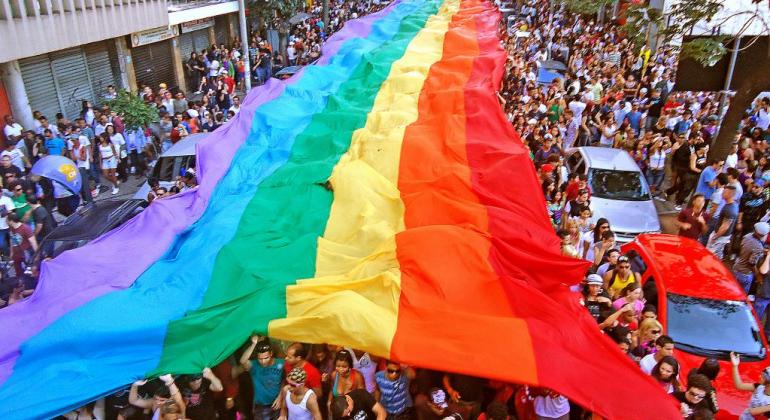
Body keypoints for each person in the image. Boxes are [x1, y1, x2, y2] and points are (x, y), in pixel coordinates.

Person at [241, 337, 285, 420]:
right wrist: (254, 344)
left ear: (271, 353)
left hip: (278, 403)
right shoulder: (254, 365)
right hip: (261, 406)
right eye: (260, 359)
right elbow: (243, 361)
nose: (263, 361)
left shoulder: (281, 363)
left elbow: (285, 381)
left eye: (266, 358)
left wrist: (280, 397)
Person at [731, 352, 770, 419]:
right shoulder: (758, 387)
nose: (759, 376)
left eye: (763, 377)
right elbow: (739, 385)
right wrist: (735, 366)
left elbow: (752, 411)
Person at [732, 222, 769, 293]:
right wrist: (758, 275)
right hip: (744, 274)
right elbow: (751, 264)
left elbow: (750, 247)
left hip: (736, 267)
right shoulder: (758, 247)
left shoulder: (747, 236)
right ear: (763, 235)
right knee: (742, 295)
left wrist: (762, 251)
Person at [706, 185, 739, 260]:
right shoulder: (733, 205)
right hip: (723, 236)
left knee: (710, 255)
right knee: (717, 255)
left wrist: (715, 237)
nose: (722, 194)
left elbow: (725, 227)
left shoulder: (729, 209)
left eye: (724, 192)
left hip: (720, 237)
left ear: (730, 194)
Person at [8, 212, 37, 277]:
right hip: (16, 253)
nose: (7, 221)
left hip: (26, 253)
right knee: (18, 271)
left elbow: (33, 242)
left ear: (11, 221)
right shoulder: (12, 228)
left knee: (29, 271)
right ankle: (20, 282)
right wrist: (11, 252)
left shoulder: (26, 228)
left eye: (8, 220)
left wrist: (36, 254)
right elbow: (11, 239)